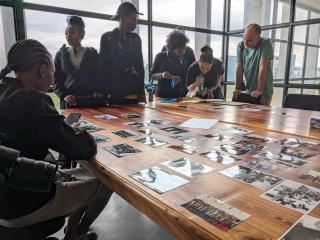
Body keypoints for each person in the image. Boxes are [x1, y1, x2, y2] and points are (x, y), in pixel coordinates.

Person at [0, 39, 112, 240]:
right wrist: (73, 130)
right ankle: (76, 233)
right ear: (42, 70)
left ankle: (73, 232)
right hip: (27, 202)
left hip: (8, 192)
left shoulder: (4, 92)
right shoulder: (33, 100)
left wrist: (61, 129)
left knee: (85, 173)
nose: (53, 79)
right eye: (53, 72)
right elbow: (84, 149)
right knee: (108, 182)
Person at [98, 2, 145, 104]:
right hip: (114, 94)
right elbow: (102, 67)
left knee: (136, 119)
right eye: (133, 19)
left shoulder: (136, 39)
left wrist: (141, 92)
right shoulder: (107, 37)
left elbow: (140, 66)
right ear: (122, 18)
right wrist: (104, 92)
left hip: (133, 93)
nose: (136, 22)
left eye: (136, 19)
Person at [53, 15, 102, 109]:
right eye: (66, 33)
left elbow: (99, 75)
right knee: (70, 123)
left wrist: (99, 91)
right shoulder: (60, 54)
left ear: (82, 34)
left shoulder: (92, 53)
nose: (68, 36)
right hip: (69, 102)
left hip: (90, 100)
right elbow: (56, 79)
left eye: (71, 32)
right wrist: (64, 95)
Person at [233, 23, 274, 106]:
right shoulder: (241, 46)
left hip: (263, 92)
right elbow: (239, 69)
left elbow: (262, 67)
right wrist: (237, 88)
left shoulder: (266, 43)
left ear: (258, 38)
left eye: (249, 40)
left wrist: (259, 90)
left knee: (260, 117)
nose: (246, 43)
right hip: (248, 91)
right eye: (244, 39)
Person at [150, 30, 189, 99]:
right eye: (180, 50)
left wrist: (180, 79)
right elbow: (151, 75)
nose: (183, 52)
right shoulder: (160, 56)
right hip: (161, 96)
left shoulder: (183, 60)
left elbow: (185, 79)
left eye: (184, 49)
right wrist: (162, 75)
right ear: (173, 48)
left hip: (177, 97)